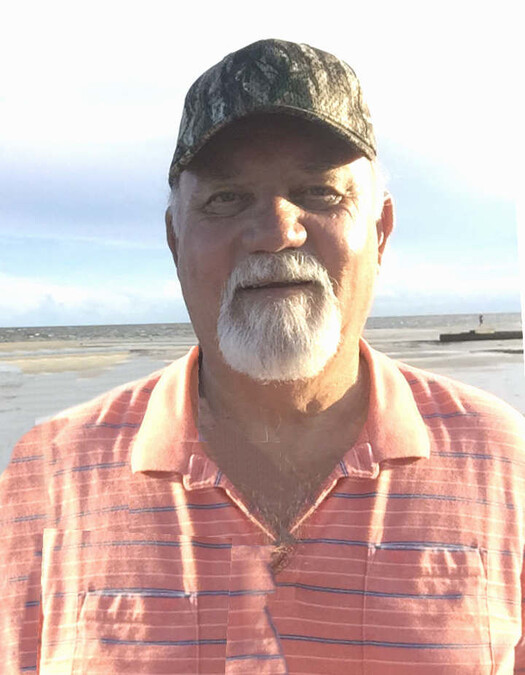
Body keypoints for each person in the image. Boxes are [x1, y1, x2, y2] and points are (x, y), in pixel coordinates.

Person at [1, 39, 524, 675]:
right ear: (174, 238)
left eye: (319, 191)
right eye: (226, 198)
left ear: (381, 230)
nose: (276, 232)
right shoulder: (46, 474)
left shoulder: (505, 463)